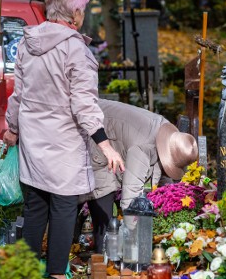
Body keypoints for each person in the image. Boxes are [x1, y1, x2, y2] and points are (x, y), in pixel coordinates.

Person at [3, 0, 124, 279]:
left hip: (33, 140)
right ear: (76, 12)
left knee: (35, 204)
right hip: (64, 142)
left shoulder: (26, 44)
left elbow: (19, 94)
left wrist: (12, 130)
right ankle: (57, 272)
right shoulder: (76, 50)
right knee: (64, 205)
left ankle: (25, 274)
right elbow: (84, 104)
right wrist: (106, 146)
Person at [83, 98, 198, 252]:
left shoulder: (168, 137)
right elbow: (130, 200)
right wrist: (136, 242)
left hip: (107, 127)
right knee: (103, 212)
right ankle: (100, 260)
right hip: (95, 133)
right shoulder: (143, 148)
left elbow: (164, 182)